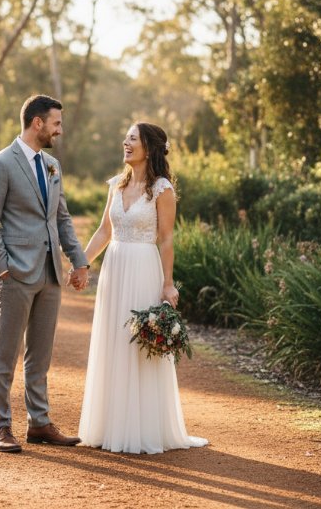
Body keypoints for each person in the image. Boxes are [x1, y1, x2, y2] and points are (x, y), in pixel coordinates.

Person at [77, 122, 208, 454]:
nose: (125, 142)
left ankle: (143, 429)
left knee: (138, 347)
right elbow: (104, 232)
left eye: (132, 139)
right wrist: (82, 262)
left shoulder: (162, 190)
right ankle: (111, 426)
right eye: (126, 138)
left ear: (148, 148)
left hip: (143, 270)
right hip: (115, 269)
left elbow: (166, 240)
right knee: (114, 342)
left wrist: (168, 284)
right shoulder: (115, 186)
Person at [0, 94, 91, 453]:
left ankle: (39, 423)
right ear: (37, 123)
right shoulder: (0, 164)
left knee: (40, 355)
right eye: (56, 123)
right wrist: (2, 267)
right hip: (14, 275)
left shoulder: (53, 165)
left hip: (50, 273)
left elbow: (61, 218)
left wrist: (79, 260)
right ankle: (1, 427)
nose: (60, 129)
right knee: (6, 353)